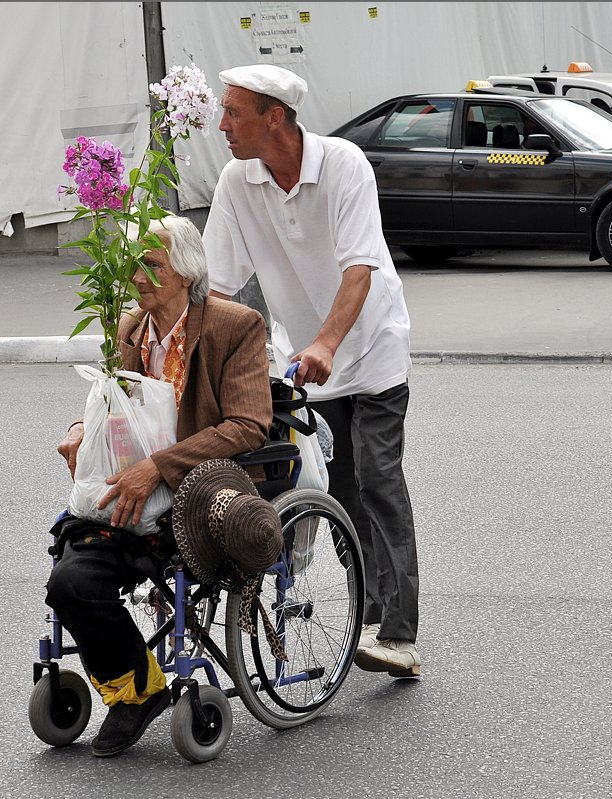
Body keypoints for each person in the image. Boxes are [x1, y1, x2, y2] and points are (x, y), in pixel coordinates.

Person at [202, 64, 421, 678]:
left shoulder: (345, 165)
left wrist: (326, 342)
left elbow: (360, 269)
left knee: (379, 479)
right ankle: (369, 614)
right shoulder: (237, 180)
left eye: (233, 112)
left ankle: (400, 635)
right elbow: (218, 287)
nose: (222, 125)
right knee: (340, 493)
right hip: (307, 364)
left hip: (372, 351)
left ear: (275, 116)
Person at [47, 214, 273, 757]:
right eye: (133, 265)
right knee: (70, 582)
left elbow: (248, 425)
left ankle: (132, 695)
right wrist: (82, 428)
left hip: (198, 498)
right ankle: (140, 690)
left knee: (91, 569)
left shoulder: (233, 325)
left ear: (187, 273)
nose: (138, 277)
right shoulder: (127, 328)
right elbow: (112, 405)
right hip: (134, 498)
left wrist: (161, 466)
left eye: (151, 265)